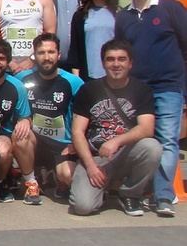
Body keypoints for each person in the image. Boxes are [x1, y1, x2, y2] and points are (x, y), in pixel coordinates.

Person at [115, 0, 187, 216]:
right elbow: (120, 55)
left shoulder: (171, 9)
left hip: (168, 86)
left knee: (167, 141)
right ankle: (142, 191)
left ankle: (163, 196)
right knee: (143, 140)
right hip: (137, 89)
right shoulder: (123, 16)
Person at [69, 39, 162, 216]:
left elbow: (146, 128)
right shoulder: (89, 89)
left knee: (152, 147)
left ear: (130, 63)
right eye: (110, 59)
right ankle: (102, 191)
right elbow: (77, 132)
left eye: (122, 59)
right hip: (96, 157)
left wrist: (116, 141)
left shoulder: (142, 90)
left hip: (126, 154)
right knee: (83, 207)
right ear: (103, 63)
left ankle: (129, 194)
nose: (116, 64)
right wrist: (90, 166)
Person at [16, 33, 84, 200]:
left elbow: (84, 117)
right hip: (34, 140)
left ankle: (57, 177)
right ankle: (32, 182)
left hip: (63, 144)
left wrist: (77, 142)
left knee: (67, 175)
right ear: (34, 55)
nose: (46, 57)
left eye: (51, 52)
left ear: (59, 55)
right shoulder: (21, 79)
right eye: (41, 53)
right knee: (19, 135)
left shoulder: (73, 82)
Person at [0, 39, 35, 203]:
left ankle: (0, 182)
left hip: (1, 135)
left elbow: (25, 115)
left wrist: (25, 121)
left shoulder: (17, 86)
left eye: (1, 59)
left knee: (6, 146)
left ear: (8, 62)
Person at [68, 0, 119, 81]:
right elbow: (75, 52)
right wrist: (77, 81)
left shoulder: (118, 14)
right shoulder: (80, 15)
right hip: (88, 77)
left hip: (114, 76)